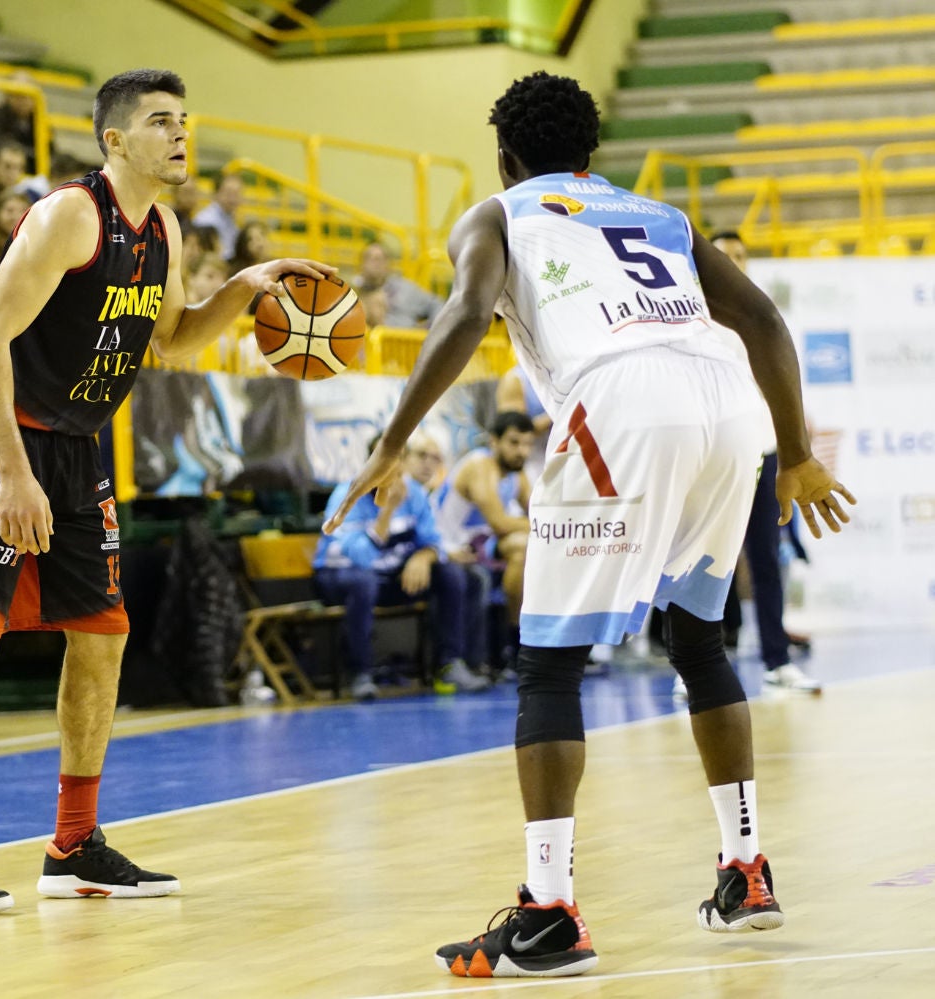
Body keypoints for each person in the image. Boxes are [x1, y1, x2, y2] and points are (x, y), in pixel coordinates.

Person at [326, 71, 854, 978]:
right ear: (592, 151)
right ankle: (746, 872)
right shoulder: (661, 216)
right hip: (727, 405)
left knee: (549, 662)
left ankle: (549, 913)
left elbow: (459, 315)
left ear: (505, 155)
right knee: (700, 640)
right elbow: (763, 317)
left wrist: (391, 439)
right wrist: (797, 453)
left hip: (619, 401)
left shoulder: (495, 215)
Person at [0, 67, 333, 916]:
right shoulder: (70, 215)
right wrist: (14, 472)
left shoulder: (163, 227)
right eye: (162, 121)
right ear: (114, 141)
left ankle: (73, 845)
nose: (181, 135)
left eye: (185, 120)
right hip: (4, 440)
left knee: (102, 637)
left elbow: (171, 341)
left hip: (78, 448)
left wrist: (242, 290)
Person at [709, 230, 818, 693]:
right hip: (712, 455)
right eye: (723, 255)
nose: (733, 261)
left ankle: (777, 661)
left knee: (766, 558)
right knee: (701, 561)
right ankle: (697, 665)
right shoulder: (688, 316)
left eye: (740, 255)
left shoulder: (761, 317)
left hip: (765, 455)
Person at [313, 438, 462, 701]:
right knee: (363, 582)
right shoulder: (348, 494)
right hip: (338, 578)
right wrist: (388, 510)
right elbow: (362, 558)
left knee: (451, 574)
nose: (391, 468)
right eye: (384, 462)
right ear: (372, 464)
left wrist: (423, 558)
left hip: (386, 578)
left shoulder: (414, 494)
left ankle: (449, 665)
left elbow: (434, 542)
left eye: (398, 460)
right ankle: (361, 673)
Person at [433, 412, 535, 676]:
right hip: (448, 547)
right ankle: (516, 644)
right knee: (522, 545)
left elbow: (537, 515)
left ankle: (541, 642)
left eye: (526, 444)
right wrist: (545, 525)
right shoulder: (479, 465)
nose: (521, 451)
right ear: (493, 441)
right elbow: (500, 523)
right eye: (514, 443)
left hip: (479, 546)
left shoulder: (516, 474)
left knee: (538, 545)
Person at [353, 240, 443, 329]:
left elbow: (437, 305)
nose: (376, 262)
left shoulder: (406, 289)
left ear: (388, 264)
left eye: (381, 258)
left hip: (409, 339)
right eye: (370, 257)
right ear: (361, 264)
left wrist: (429, 330)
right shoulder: (352, 293)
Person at [0, 72, 47, 174]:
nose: (24, 101)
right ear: (7, 96)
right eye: (18, 95)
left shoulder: (40, 120)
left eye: (28, 96)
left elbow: (50, 151)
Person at [192, 173, 243, 260]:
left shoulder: (231, 217)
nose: (233, 199)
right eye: (229, 193)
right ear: (216, 193)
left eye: (236, 194)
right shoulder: (205, 220)